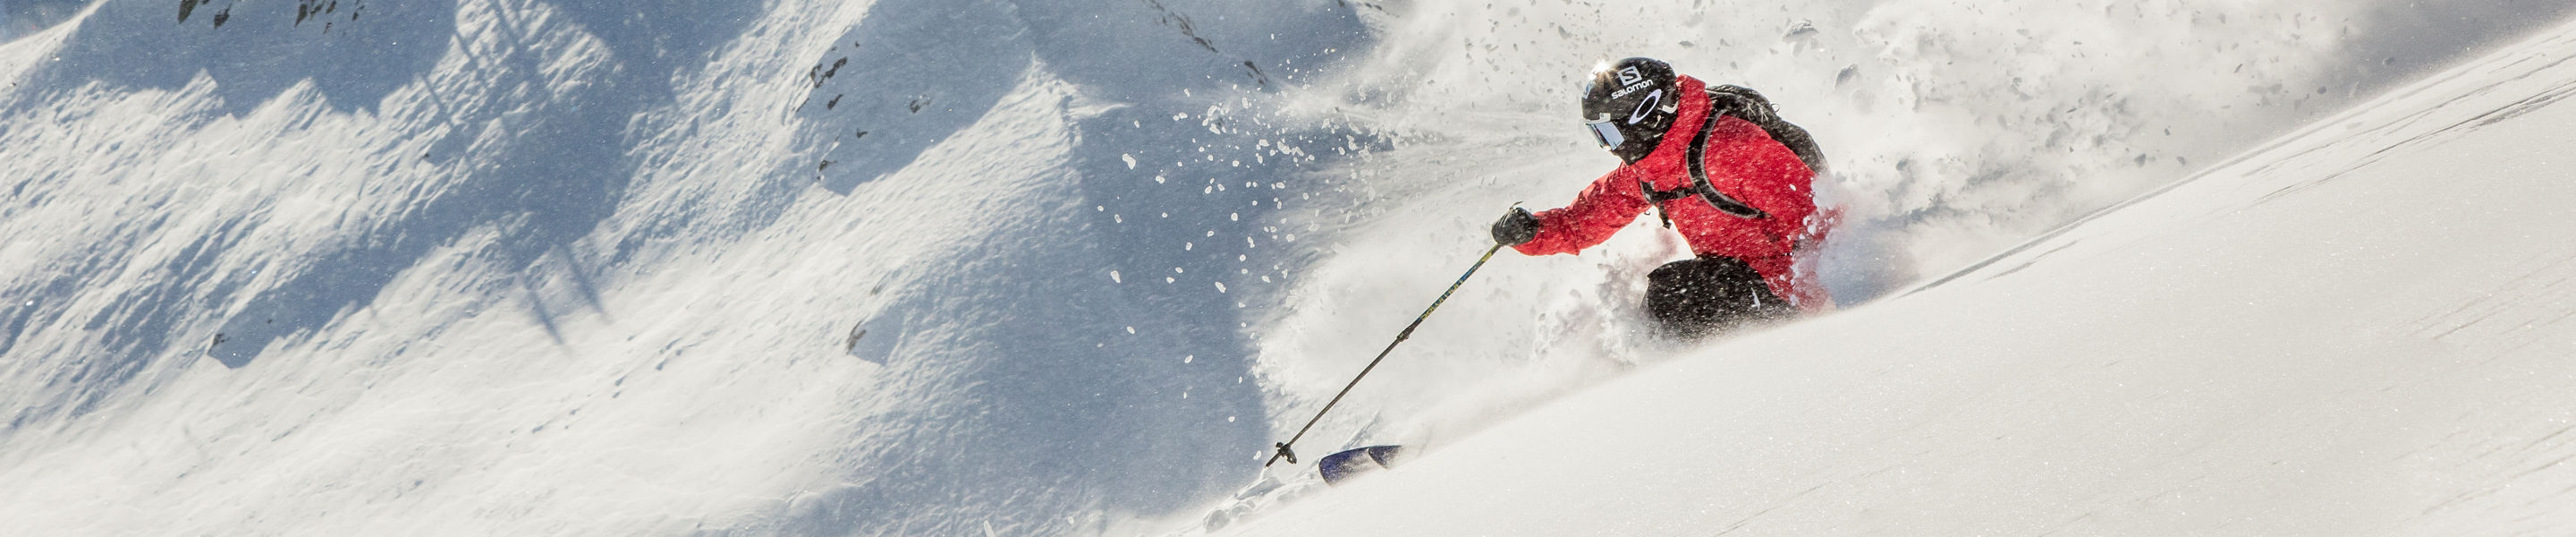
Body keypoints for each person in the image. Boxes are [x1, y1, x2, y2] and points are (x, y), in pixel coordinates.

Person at [1491, 57, 1831, 339]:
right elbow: (1582, 223)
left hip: (1795, 289)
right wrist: (1533, 231)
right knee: (1673, 294)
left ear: (1649, 116)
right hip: (1743, 277)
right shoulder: (1650, 169)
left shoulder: (1732, 149)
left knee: (1676, 294)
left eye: (1609, 133)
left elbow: (1824, 218)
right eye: (1599, 136)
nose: (1609, 148)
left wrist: (1823, 298)